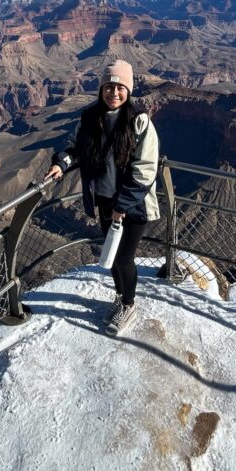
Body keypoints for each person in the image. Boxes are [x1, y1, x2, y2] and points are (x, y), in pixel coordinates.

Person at [44, 59, 160, 336]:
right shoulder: (90, 118)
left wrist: (122, 205)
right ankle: (120, 298)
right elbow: (76, 148)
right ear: (101, 89)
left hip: (134, 205)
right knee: (111, 255)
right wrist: (61, 163)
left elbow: (145, 169)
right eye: (109, 87)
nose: (114, 93)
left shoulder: (139, 121)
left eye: (120, 87)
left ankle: (128, 305)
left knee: (124, 259)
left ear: (128, 90)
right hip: (106, 201)